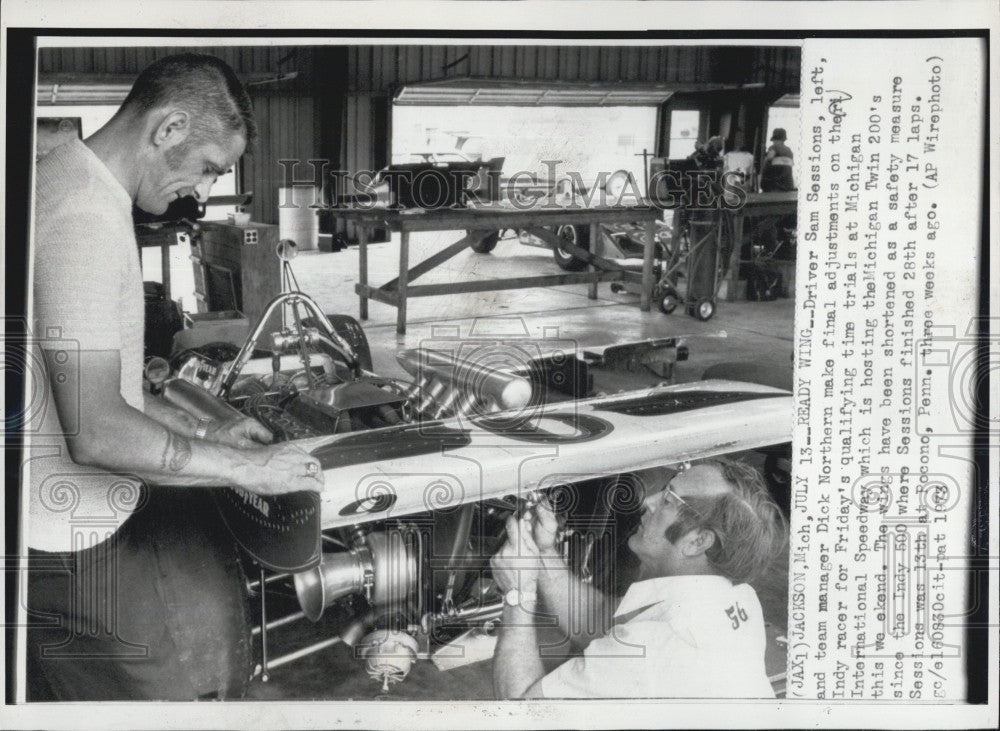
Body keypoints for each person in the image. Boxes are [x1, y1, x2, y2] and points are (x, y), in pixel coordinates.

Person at [25, 53, 324, 701]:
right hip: (76, 543)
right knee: (172, 694)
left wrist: (202, 425)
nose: (206, 190)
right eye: (210, 168)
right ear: (168, 128)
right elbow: (98, 431)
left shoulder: (67, 183)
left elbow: (107, 384)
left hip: (69, 526)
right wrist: (247, 468)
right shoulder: (82, 219)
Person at [491, 459, 786, 699]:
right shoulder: (737, 597)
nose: (648, 501)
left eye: (669, 499)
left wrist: (519, 594)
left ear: (698, 542)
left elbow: (520, 710)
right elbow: (599, 619)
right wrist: (543, 551)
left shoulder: (658, 646)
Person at [760, 127, 795, 192]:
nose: (774, 142)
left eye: (774, 140)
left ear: (775, 139)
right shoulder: (789, 150)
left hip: (775, 184)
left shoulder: (773, 147)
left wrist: (765, 160)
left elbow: (770, 157)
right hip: (787, 184)